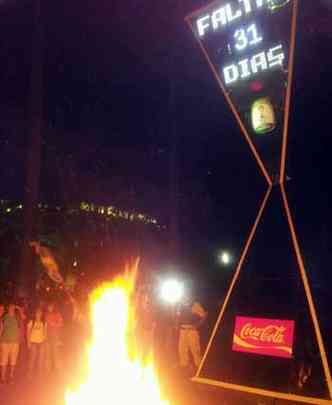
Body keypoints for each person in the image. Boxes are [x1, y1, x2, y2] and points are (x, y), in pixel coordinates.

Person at [176, 299, 207, 375]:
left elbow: (204, 315)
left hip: (192, 331)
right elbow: (177, 315)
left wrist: (198, 325)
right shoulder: (180, 304)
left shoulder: (195, 305)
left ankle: (199, 368)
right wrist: (176, 324)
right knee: (182, 349)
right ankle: (184, 368)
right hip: (182, 330)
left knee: (195, 350)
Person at [0, 302, 26, 383]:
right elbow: (1, 328)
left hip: (15, 342)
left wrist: (18, 308)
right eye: (10, 307)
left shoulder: (17, 317)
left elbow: (24, 317)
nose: (11, 309)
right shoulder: (4, 317)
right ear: (8, 308)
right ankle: (3, 378)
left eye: (13, 307)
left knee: (13, 361)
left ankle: (11, 376)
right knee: (3, 360)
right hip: (4, 342)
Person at [27, 308, 47, 377]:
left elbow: (45, 333)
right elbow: (28, 332)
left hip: (41, 343)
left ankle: (39, 373)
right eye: (37, 313)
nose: (38, 315)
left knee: (40, 359)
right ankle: (30, 373)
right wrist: (28, 342)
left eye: (40, 313)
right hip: (33, 342)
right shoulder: (31, 322)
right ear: (35, 314)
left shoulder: (44, 323)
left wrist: (44, 341)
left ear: (41, 314)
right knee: (32, 358)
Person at [45, 303, 63, 374]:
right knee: (48, 354)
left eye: (51, 306)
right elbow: (47, 324)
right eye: (49, 306)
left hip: (55, 337)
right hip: (48, 337)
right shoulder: (47, 315)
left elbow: (61, 323)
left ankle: (57, 369)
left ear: (53, 306)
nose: (50, 307)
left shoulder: (57, 314)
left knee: (56, 354)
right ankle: (48, 370)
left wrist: (55, 323)